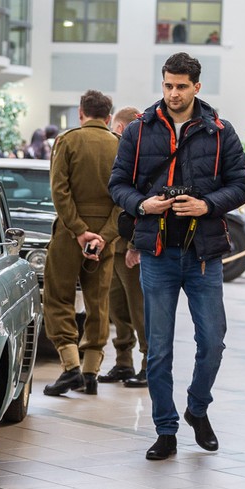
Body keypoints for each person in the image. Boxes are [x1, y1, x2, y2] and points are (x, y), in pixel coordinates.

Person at [108, 52, 245, 460]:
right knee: (158, 349)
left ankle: (197, 408)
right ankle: (165, 429)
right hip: (157, 254)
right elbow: (117, 184)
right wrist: (143, 205)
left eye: (181, 86)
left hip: (204, 254)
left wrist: (207, 204)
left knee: (213, 342)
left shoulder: (220, 131)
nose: (173, 93)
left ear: (196, 87)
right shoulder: (139, 130)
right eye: (168, 85)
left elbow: (241, 185)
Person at [42, 90, 120, 397]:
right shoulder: (120, 145)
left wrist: (78, 230)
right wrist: (105, 235)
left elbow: (59, 190)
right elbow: (124, 197)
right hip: (105, 236)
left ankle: (71, 366)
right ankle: (91, 373)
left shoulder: (68, 141)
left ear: (80, 113)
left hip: (69, 233)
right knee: (99, 302)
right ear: (109, 117)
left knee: (58, 297)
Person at [98, 106, 148, 388]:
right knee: (118, 310)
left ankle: (149, 364)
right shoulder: (121, 152)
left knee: (140, 310)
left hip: (130, 245)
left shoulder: (138, 155)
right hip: (114, 246)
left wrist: (134, 244)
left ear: (119, 128)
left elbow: (134, 201)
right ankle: (123, 362)